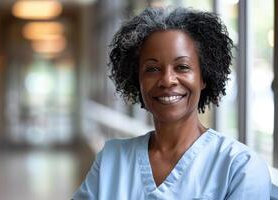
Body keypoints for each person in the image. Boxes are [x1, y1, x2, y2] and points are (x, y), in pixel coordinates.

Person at [73, 7, 271, 200]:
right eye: (152, 69)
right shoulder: (111, 160)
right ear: (137, 80)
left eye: (182, 67)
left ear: (203, 77)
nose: (167, 80)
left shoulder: (239, 168)